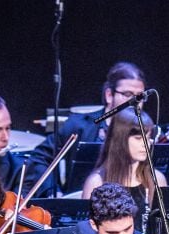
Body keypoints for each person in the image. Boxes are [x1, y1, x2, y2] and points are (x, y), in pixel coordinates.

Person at [25, 61, 146, 196]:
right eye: (128, 94)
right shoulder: (78, 125)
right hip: (81, 205)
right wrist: (53, 191)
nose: (135, 103)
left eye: (139, 96)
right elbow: (40, 158)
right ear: (109, 95)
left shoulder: (146, 133)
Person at [80, 108, 166, 231]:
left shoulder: (156, 179)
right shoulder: (97, 182)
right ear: (120, 140)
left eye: (147, 138)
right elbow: (88, 233)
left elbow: (162, 230)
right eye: (138, 138)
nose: (145, 144)